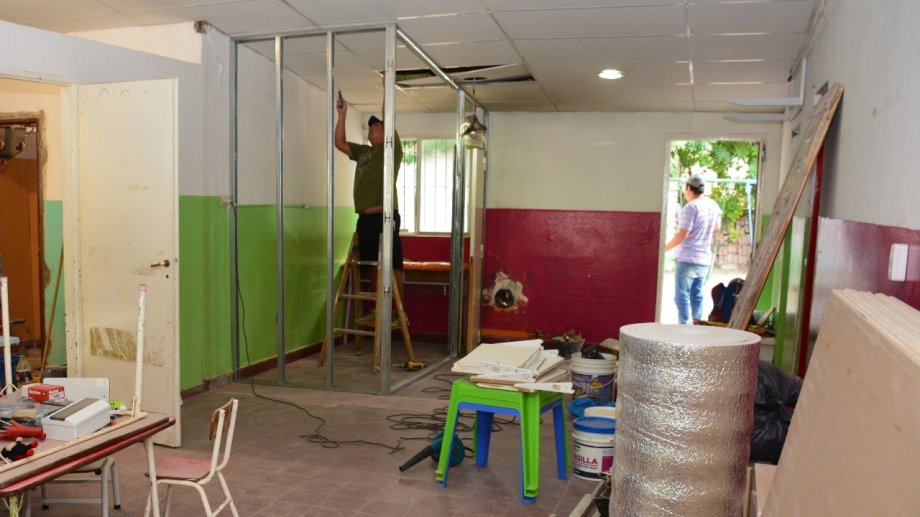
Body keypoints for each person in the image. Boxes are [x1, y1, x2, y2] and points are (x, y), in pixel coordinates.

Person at [333, 90, 405, 307]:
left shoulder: (391, 151)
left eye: (376, 126)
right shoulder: (363, 152)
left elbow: (388, 116)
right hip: (365, 219)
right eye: (370, 127)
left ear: (385, 132)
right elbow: (340, 143)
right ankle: (381, 309)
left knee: (391, 266)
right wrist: (342, 115)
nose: (371, 129)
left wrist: (386, 85)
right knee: (372, 265)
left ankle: (398, 312)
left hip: (384, 218)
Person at [664, 174, 722, 324]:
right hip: (704, 259)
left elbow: (682, 234)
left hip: (687, 259)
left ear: (689, 188)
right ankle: (697, 324)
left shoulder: (690, 207)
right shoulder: (713, 205)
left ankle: (683, 326)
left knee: (682, 296)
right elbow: (717, 227)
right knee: (697, 295)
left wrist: (664, 248)